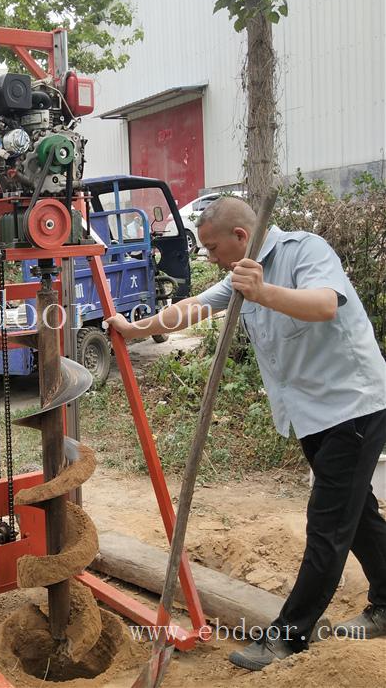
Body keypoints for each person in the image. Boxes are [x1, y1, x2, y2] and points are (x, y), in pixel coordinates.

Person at [106, 197, 386, 671]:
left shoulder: (305, 251)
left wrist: (262, 294)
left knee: (326, 525)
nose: (208, 257)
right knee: (355, 514)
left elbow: (323, 305)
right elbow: (196, 308)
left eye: (212, 247)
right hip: (311, 413)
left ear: (240, 237)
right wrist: (135, 330)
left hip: (352, 406)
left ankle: (286, 638)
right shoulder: (239, 275)